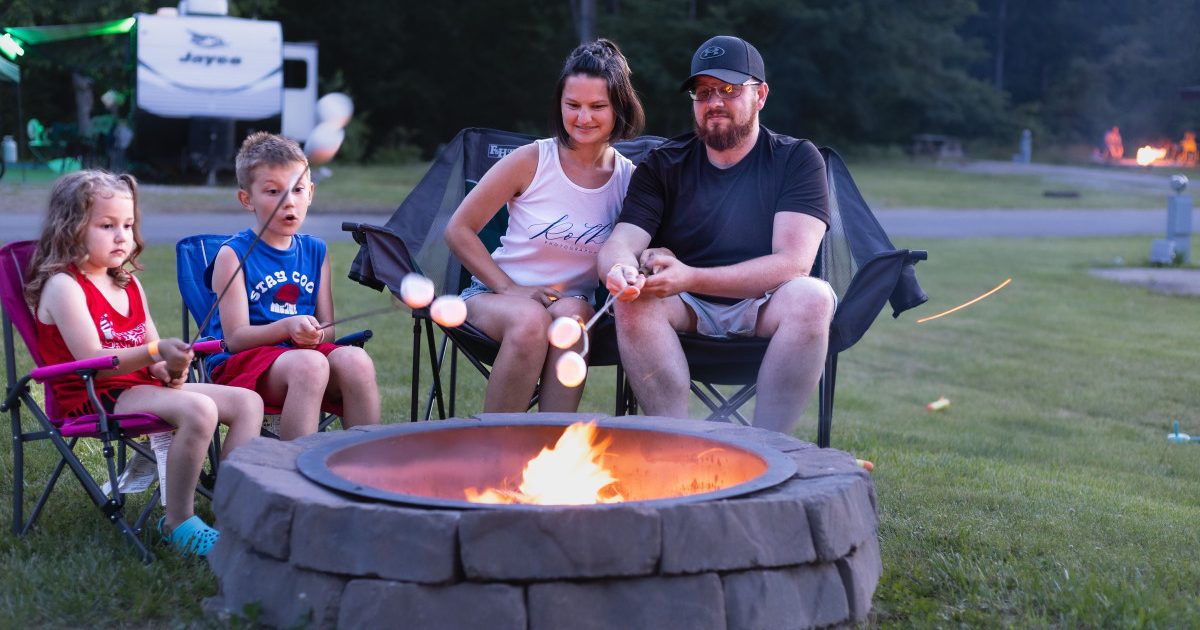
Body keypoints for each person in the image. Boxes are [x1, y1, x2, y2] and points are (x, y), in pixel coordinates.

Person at [598, 35, 835, 435]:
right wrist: (620, 270)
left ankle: (768, 449)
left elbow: (793, 263)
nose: (714, 103)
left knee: (813, 297)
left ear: (760, 95)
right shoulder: (663, 165)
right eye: (703, 92)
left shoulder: (796, 159)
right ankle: (675, 450)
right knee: (632, 300)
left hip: (764, 305)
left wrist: (690, 275)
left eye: (729, 90)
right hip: (686, 307)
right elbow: (621, 241)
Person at [26, 170, 263, 557]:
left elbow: (150, 350)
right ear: (70, 228)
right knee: (200, 409)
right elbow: (94, 363)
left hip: (139, 387)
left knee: (246, 402)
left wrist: (171, 367)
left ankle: (229, 508)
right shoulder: (65, 286)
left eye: (128, 224)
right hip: (95, 395)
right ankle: (178, 522)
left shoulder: (127, 284)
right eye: (107, 225)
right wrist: (155, 354)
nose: (123, 236)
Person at [443, 39, 645, 412]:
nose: (583, 118)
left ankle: (548, 454)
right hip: (494, 299)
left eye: (597, 106)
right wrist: (509, 287)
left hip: (572, 305)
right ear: (560, 105)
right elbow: (458, 229)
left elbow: (638, 250)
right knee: (530, 321)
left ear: (619, 107)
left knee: (573, 319)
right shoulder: (532, 160)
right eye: (573, 105)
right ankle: (496, 452)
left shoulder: (627, 180)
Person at [207, 132, 380, 439]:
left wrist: (316, 333)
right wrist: (288, 327)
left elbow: (329, 329)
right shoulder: (233, 254)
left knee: (356, 360)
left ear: (310, 193)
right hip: (246, 365)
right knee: (310, 364)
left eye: (297, 190)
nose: (288, 202)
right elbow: (234, 339)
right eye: (273, 192)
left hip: (301, 356)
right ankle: (293, 477)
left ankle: (365, 469)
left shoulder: (315, 250)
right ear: (247, 199)